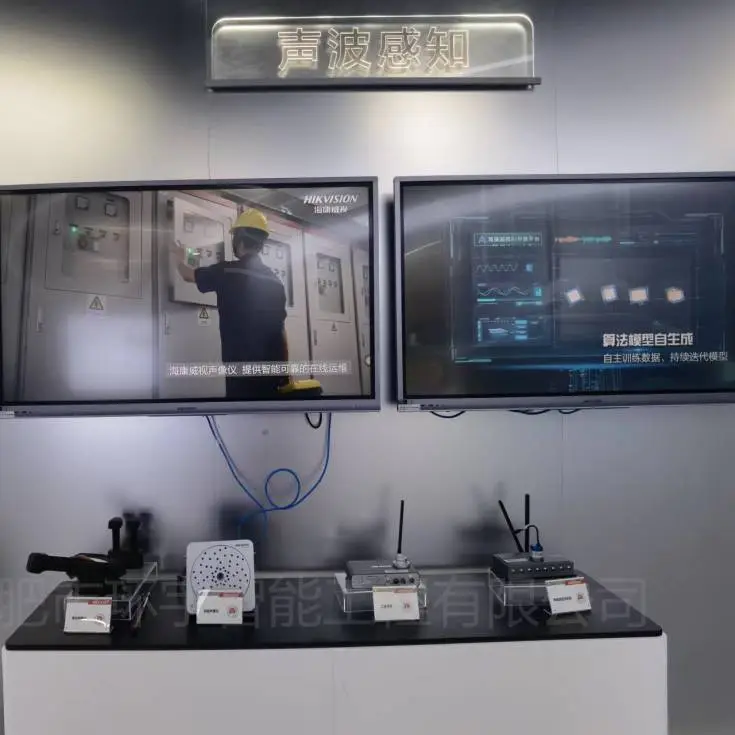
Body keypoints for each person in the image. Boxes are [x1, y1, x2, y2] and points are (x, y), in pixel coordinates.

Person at [170, 208, 289, 400]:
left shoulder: (227, 272)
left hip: (239, 370)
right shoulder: (276, 282)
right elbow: (281, 332)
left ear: (239, 240)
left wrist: (179, 258)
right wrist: (284, 372)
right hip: (271, 372)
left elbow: (187, 274)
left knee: (241, 412)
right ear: (261, 244)